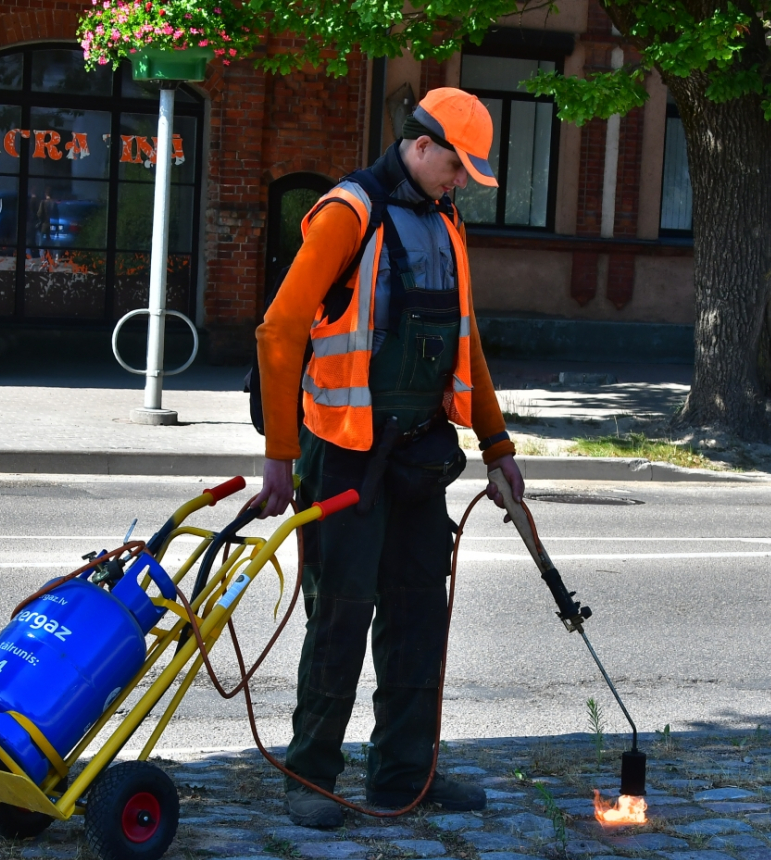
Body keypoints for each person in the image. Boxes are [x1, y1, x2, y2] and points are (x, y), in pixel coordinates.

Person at [252, 87, 525, 828]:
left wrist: (496, 447)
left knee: (416, 619)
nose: (461, 180)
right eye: (457, 165)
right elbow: (278, 333)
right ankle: (310, 778)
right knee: (340, 615)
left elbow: (466, 345)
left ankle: (405, 773)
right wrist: (281, 456)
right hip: (341, 454)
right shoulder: (350, 211)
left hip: (417, 457)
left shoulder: (446, 224)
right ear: (421, 142)